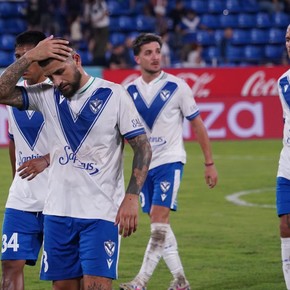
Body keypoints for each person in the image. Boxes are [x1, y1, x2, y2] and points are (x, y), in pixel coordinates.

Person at [0, 35, 152, 290]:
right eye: (51, 76)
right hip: (58, 213)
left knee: (96, 286)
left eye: (60, 72)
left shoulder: (114, 95)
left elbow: (143, 148)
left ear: (77, 60)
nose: (57, 81)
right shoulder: (46, 95)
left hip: (101, 214)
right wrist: (29, 57)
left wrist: (131, 197)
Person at [119, 33, 218, 290]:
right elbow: (122, 131)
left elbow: (197, 124)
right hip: (143, 167)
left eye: (157, 51)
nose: (155, 57)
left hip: (170, 161)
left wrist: (209, 163)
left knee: (158, 217)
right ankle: (181, 280)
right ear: (137, 58)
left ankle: (141, 281)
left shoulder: (177, 86)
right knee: (158, 222)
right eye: (149, 52)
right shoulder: (128, 90)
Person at [0, 30, 51, 290]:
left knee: (62, 279)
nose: (22, 63)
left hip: (59, 199)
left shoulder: (61, 93)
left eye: (29, 57)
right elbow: (12, 140)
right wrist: (15, 181)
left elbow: (83, 143)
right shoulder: (13, 97)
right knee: (9, 266)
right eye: (18, 56)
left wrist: (46, 159)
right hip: (22, 198)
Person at [276, 24, 290, 290]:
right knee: (285, 226)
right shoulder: (283, 82)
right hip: (287, 164)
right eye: (288, 39)